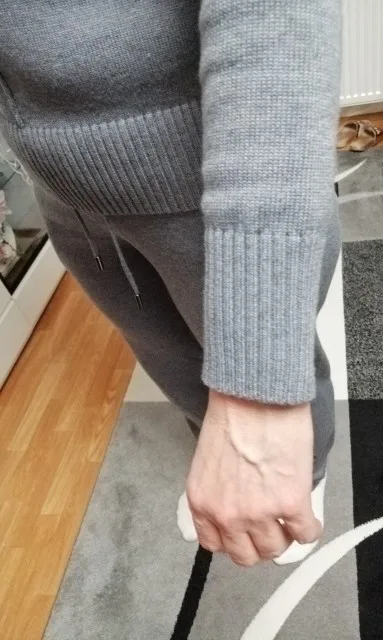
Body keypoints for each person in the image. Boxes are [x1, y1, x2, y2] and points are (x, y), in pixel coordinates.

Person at [0, 0, 341, 567]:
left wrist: (257, 398)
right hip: (62, 186)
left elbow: (275, 15)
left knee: (283, 362)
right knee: (166, 352)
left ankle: (306, 474)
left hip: (205, 172)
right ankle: (212, 437)